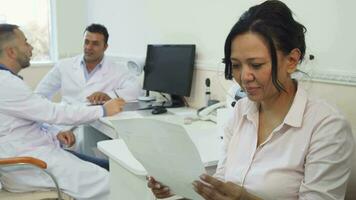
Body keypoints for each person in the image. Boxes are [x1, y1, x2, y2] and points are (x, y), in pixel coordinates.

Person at [148, 1, 354, 199]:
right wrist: (181, 185)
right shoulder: (241, 111)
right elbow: (222, 179)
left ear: (291, 60)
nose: (244, 77)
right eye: (236, 65)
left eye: (256, 64)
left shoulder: (327, 127)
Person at [0, 24, 125, 200]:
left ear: (105, 47)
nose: (31, 47)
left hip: (38, 151)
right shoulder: (7, 85)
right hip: (32, 165)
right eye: (26, 42)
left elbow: (26, 118)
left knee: (109, 167)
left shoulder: (8, 82)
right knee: (114, 183)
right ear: (12, 52)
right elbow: (50, 111)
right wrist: (103, 110)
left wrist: (55, 132)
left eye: (95, 43)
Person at [34, 23, 141, 154]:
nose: (89, 47)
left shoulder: (117, 69)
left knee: (92, 158)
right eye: (86, 42)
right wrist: (52, 127)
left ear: (105, 47)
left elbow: (136, 90)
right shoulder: (64, 66)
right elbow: (39, 95)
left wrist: (109, 95)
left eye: (95, 44)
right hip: (64, 125)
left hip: (93, 126)